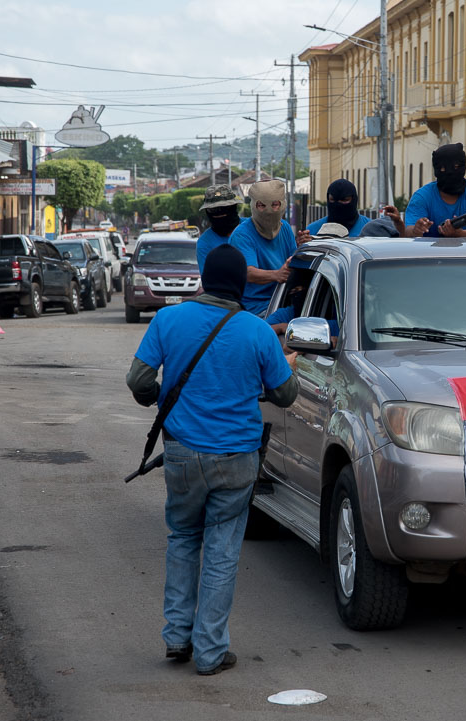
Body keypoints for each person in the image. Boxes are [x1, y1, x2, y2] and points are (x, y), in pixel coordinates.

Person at [125, 244, 298, 676]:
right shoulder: (257, 331)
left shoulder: (168, 319)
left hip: (182, 454)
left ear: (203, 280)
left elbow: (138, 380)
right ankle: (210, 652)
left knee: (183, 539)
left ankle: (176, 637)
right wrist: (284, 365)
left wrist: (156, 398)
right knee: (222, 551)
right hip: (237, 457)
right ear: (241, 284)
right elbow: (285, 394)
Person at [229, 180, 299, 317]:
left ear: (282, 204)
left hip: (283, 301)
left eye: (275, 205)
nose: (269, 211)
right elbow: (248, 272)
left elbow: (293, 264)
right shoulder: (242, 235)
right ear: (253, 206)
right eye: (261, 205)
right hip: (255, 309)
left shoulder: (285, 228)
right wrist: (276, 275)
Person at [405, 143, 466, 238]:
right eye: (443, 169)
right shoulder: (422, 197)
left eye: (456, 167)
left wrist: (460, 234)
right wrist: (416, 231)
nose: (449, 172)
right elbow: (408, 231)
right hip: (432, 252)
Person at [195, 184, 244, 270]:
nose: (219, 213)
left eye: (224, 208)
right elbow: (210, 280)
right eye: (213, 209)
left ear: (234, 207)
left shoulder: (253, 227)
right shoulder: (205, 243)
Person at [303, 179, 372, 238]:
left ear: (354, 200)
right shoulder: (312, 231)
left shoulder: (370, 229)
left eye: (344, 200)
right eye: (332, 200)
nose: (338, 205)